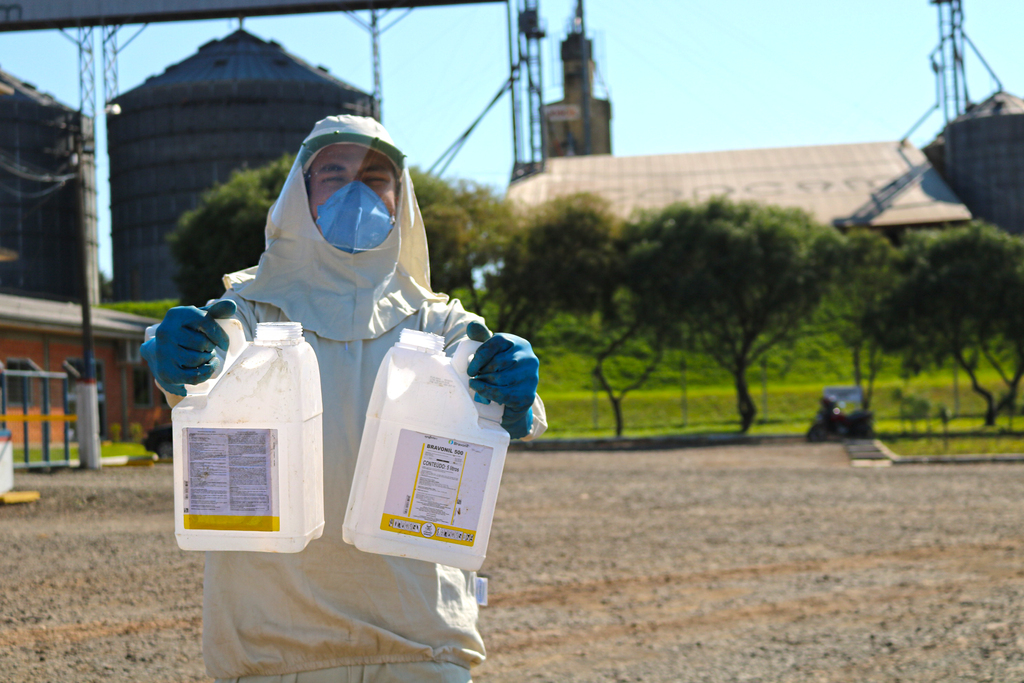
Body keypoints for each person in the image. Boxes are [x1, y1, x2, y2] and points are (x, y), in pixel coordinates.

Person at [141, 115, 545, 683]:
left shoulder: (444, 323)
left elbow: (510, 414)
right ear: (301, 195)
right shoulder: (249, 314)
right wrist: (167, 351)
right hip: (273, 650)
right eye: (335, 175)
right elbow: (195, 366)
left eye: (376, 178)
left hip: (421, 648)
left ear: (399, 199)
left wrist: (515, 392)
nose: (357, 191)